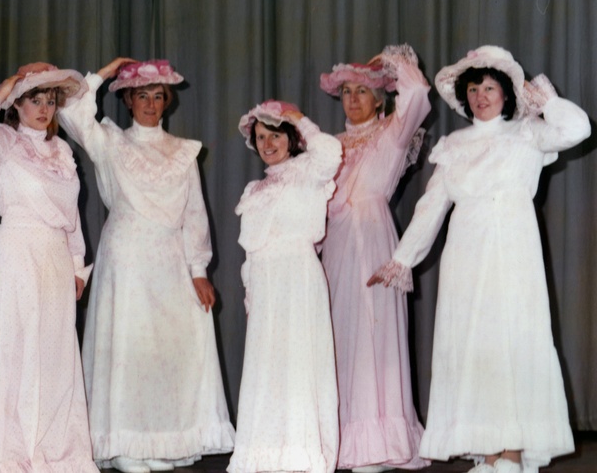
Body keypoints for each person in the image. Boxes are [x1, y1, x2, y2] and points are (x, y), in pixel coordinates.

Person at [369, 45, 591, 473]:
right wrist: (401, 259)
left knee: (511, 344)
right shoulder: (454, 145)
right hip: (466, 257)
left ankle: (512, 452)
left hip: (513, 253)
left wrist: (547, 102)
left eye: (489, 87)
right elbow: (431, 208)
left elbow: (577, 128)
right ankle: (488, 454)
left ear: (506, 93)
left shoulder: (528, 133)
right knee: (475, 349)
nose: (480, 96)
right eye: (473, 89)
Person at [46, 58, 234, 473]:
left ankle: (158, 442)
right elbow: (71, 111)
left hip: (169, 258)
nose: (150, 103)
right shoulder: (111, 141)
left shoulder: (182, 152)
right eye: (142, 96)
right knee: (127, 349)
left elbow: (195, 213)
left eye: (157, 96)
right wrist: (108, 70)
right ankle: (124, 445)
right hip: (127, 257)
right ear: (129, 101)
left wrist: (198, 271)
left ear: (167, 101)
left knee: (164, 351)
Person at [0, 66, 98, 472]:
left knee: (52, 353)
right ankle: (9, 448)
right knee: (12, 348)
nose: (44, 109)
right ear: (17, 105)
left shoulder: (62, 151)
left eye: (50, 101)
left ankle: (50, 447)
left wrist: (77, 266)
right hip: (16, 253)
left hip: (54, 258)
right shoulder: (2, 142)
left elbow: (72, 216)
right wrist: (8, 86)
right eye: (35, 100)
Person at [317, 44, 431, 472]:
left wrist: (392, 62)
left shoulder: (391, 134)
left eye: (362, 91)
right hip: (335, 245)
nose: (353, 99)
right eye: (346, 92)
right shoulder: (330, 146)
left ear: (380, 98)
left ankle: (381, 442)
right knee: (340, 335)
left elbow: (417, 94)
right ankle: (346, 440)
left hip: (373, 239)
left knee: (375, 335)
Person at [228, 100, 342, 473]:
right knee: (266, 369)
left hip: (297, 277)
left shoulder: (309, 170)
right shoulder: (254, 189)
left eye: (275, 135)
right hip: (265, 284)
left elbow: (330, 152)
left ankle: (301, 457)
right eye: (261, 137)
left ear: (291, 138)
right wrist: (251, 294)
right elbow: (250, 250)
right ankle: (266, 457)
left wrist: (299, 119)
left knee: (299, 365)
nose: (268, 144)